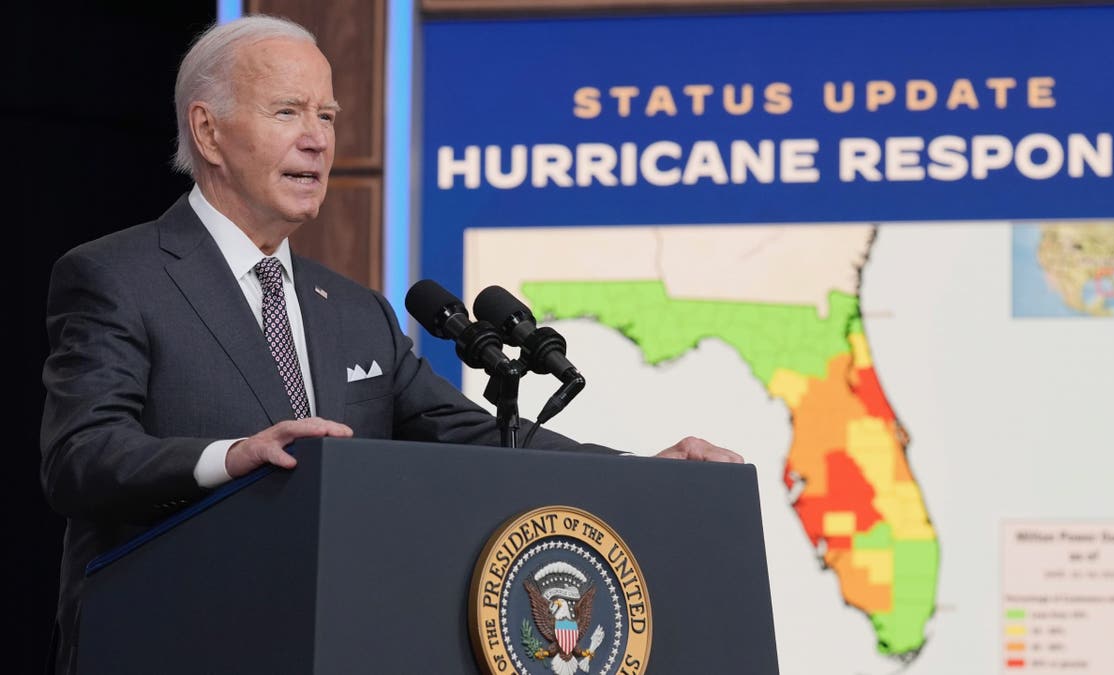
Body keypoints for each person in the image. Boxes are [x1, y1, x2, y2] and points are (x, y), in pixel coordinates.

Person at [39, 14, 740, 674]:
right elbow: (81, 457)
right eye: (288, 112)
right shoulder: (117, 276)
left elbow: (480, 435)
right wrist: (233, 456)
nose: (317, 138)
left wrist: (639, 472)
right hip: (173, 641)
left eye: (327, 116)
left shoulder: (353, 309)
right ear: (209, 131)